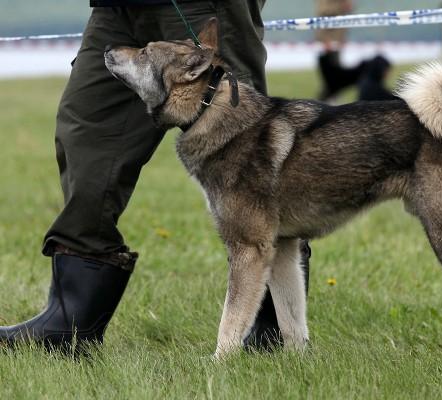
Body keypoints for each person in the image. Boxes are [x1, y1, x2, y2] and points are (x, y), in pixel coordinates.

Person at [0, 0, 310, 350]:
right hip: (119, 8)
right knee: (86, 129)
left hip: (201, 4)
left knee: (247, 148)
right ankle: (69, 321)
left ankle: (275, 330)